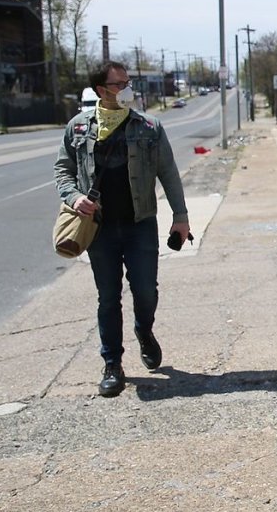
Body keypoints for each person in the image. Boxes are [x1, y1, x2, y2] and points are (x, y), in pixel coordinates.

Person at [54, 61, 189, 397]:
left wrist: (181, 216)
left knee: (146, 290)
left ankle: (144, 330)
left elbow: (168, 173)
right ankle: (112, 364)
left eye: (128, 82)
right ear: (101, 90)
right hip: (99, 229)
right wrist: (74, 197)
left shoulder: (149, 126)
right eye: (120, 84)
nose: (127, 89)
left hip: (139, 224)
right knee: (108, 297)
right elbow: (63, 170)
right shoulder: (78, 128)